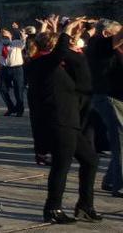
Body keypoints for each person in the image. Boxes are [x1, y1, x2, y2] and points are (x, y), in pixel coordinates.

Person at [26, 17, 102, 224]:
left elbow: (79, 68)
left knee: (91, 160)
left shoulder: (53, 64)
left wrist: (74, 34)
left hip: (69, 121)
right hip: (58, 122)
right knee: (61, 166)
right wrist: (67, 29)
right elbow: (60, 52)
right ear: (52, 45)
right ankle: (53, 208)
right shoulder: (42, 63)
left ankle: (85, 205)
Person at [86, 19, 122, 198]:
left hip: (112, 96)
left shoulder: (101, 44)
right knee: (120, 142)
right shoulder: (99, 43)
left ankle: (110, 180)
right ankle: (120, 185)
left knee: (120, 141)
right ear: (107, 33)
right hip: (108, 97)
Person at [0, 23, 27, 117]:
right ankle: (10, 107)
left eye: (6, 35)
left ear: (10, 35)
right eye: (2, 35)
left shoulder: (16, 43)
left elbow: (23, 42)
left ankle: (20, 109)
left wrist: (20, 33)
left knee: (18, 90)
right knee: (2, 88)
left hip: (17, 68)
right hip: (4, 69)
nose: (4, 37)